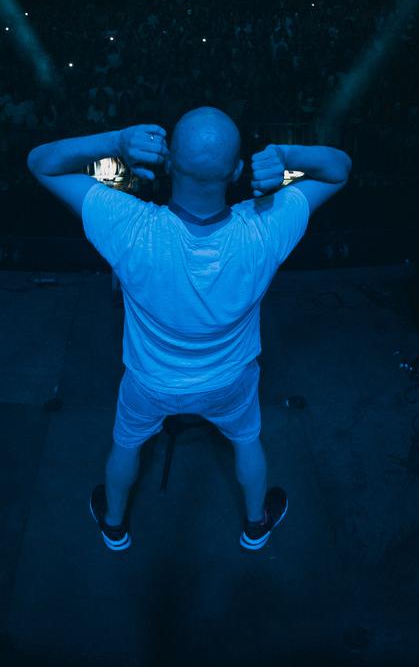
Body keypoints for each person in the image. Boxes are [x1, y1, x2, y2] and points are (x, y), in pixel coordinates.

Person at [26, 107, 352, 551]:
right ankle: (255, 526)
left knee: (126, 444)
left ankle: (114, 526)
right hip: (228, 383)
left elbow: (41, 162)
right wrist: (286, 154)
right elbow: (339, 169)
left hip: (151, 383)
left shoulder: (128, 226)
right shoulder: (266, 226)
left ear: (167, 164)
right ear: (236, 171)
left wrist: (116, 142)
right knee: (247, 440)